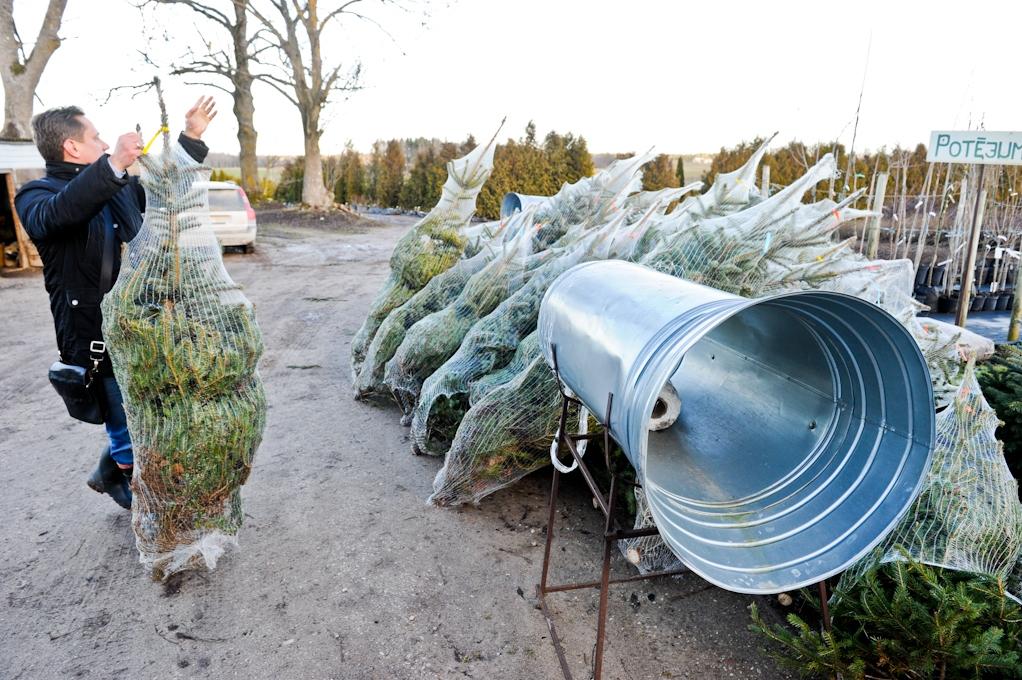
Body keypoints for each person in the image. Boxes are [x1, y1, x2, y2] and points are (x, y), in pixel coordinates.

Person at [16, 98, 218, 509]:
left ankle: (110, 469)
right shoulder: (37, 195)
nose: (105, 142)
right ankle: (138, 493)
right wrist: (111, 165)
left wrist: (191, 138)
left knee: (158, 402)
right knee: (124, 418)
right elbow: (60, 213)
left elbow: (166, 193)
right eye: (96, 138)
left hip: (145, 320)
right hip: (94, 334)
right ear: (72, 148)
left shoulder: (119, 186)